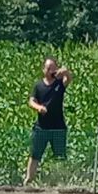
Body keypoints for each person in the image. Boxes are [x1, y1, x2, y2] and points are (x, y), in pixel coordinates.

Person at [24, 56, 72, 186]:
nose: (50, 70)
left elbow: (69, 78)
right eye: (48, 68)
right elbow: (31, 101)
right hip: (41, 127)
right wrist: (39, 108)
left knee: (60, 156)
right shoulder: (38, 86)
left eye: (53, 68)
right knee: (35, 155)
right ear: (43, 69)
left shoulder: (60, 83)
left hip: (58, 127)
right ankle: (28, 180)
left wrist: (65, 71)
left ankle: (61, 182)